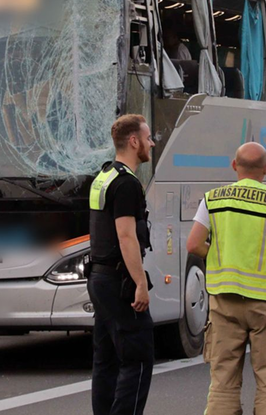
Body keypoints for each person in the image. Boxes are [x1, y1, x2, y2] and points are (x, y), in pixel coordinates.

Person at [186, 142, 266, 415]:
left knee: (223, 380)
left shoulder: (212, 199)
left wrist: (218, 253)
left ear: (234, 165)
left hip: (224, 299)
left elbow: (193, 244)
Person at [87, 114, 155, 415]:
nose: (152, 143)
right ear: (134, 141)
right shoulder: (127, 184)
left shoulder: (102, 177)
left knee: (106, 359)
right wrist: (140, 283)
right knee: (138, 358)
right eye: (148, 137)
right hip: (119, 282)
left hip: (99, 278)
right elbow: (126, 236)